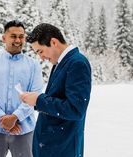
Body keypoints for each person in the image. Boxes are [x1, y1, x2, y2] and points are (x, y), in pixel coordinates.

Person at [20, 23, 92, 157]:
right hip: (52, 147)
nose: (40, 57)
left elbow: (75, 109)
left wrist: (38, 100)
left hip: (63, 149)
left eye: (40, 51)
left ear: (53, 42)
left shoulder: (77, 63)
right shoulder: (61, 62)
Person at [0, 20, 43, 157]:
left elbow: (35, 95)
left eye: (21, 36)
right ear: (4, 38)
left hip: (24, 131)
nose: (18, 40)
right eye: (13, 36)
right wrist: (2, 118)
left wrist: (15, 117)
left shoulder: (34, 66)